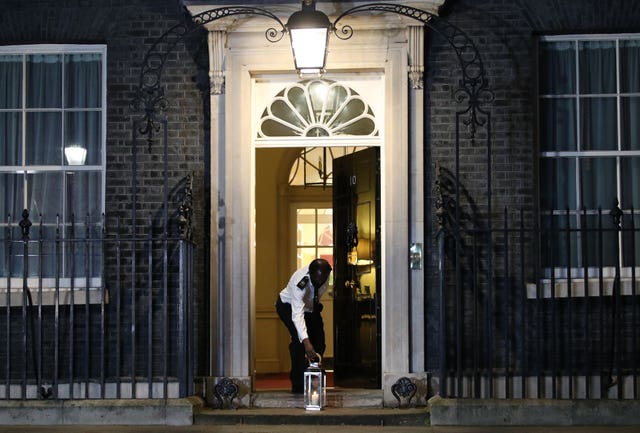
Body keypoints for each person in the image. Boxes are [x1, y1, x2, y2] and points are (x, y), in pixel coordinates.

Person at [275, 258, 332, 394]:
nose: (320, 282)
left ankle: (315, 378)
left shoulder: (325, 274)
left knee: (319, 340)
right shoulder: (300, 282)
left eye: (323, 279)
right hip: (289, 307)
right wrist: (306, 342)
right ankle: (298, 384)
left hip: (310, 307)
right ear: (310, 275)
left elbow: (316, 293)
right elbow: (297, 315)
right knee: (299, 342)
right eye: (317, 280)